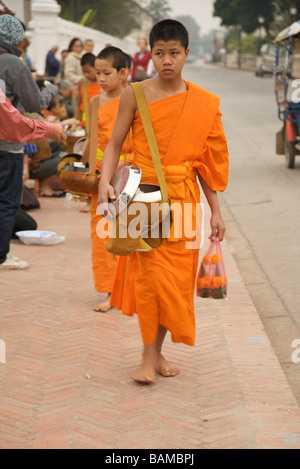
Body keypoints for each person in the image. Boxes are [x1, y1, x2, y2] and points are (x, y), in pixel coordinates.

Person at [98, 20, 229, 384]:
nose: (166, 60)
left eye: (174, 53)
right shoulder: (134, 94)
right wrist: (103, 185)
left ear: (187, 54)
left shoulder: (203, 103)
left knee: (175, 282)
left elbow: (206, 163)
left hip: (185, 202)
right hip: (143, 199)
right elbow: (113, 145)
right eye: (159, 53)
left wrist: (216, 212)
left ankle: (156, 353)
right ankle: (147, 356)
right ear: (150, 55)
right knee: (150, 279)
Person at [0, 14, 59, 270]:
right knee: (6, 202)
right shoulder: (13, 62)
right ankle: (2, 255)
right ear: (18, 39)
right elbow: (36, 104)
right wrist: (50, 89)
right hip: (8, 142)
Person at [81, 46, 132, 312]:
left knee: (124, 235)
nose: (100, 78)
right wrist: (84, 171)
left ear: (123, 73)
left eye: (106, 73)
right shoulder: (95, 101)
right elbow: (92, 138)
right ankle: (111, 290)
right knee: (102, 237)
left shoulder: (135, 99)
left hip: (126, 175)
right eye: (97, 73)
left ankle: (126, 289)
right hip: (100, 178)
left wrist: (117, 170)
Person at [75, 53, 101, 130]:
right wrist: (76, 120)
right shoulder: (82, 83)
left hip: (99, 121)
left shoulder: (102, 82)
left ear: (96, 68)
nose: (86, 75)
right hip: (84, 122)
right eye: (84, 72)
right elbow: (78, 103)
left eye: (88, 71)